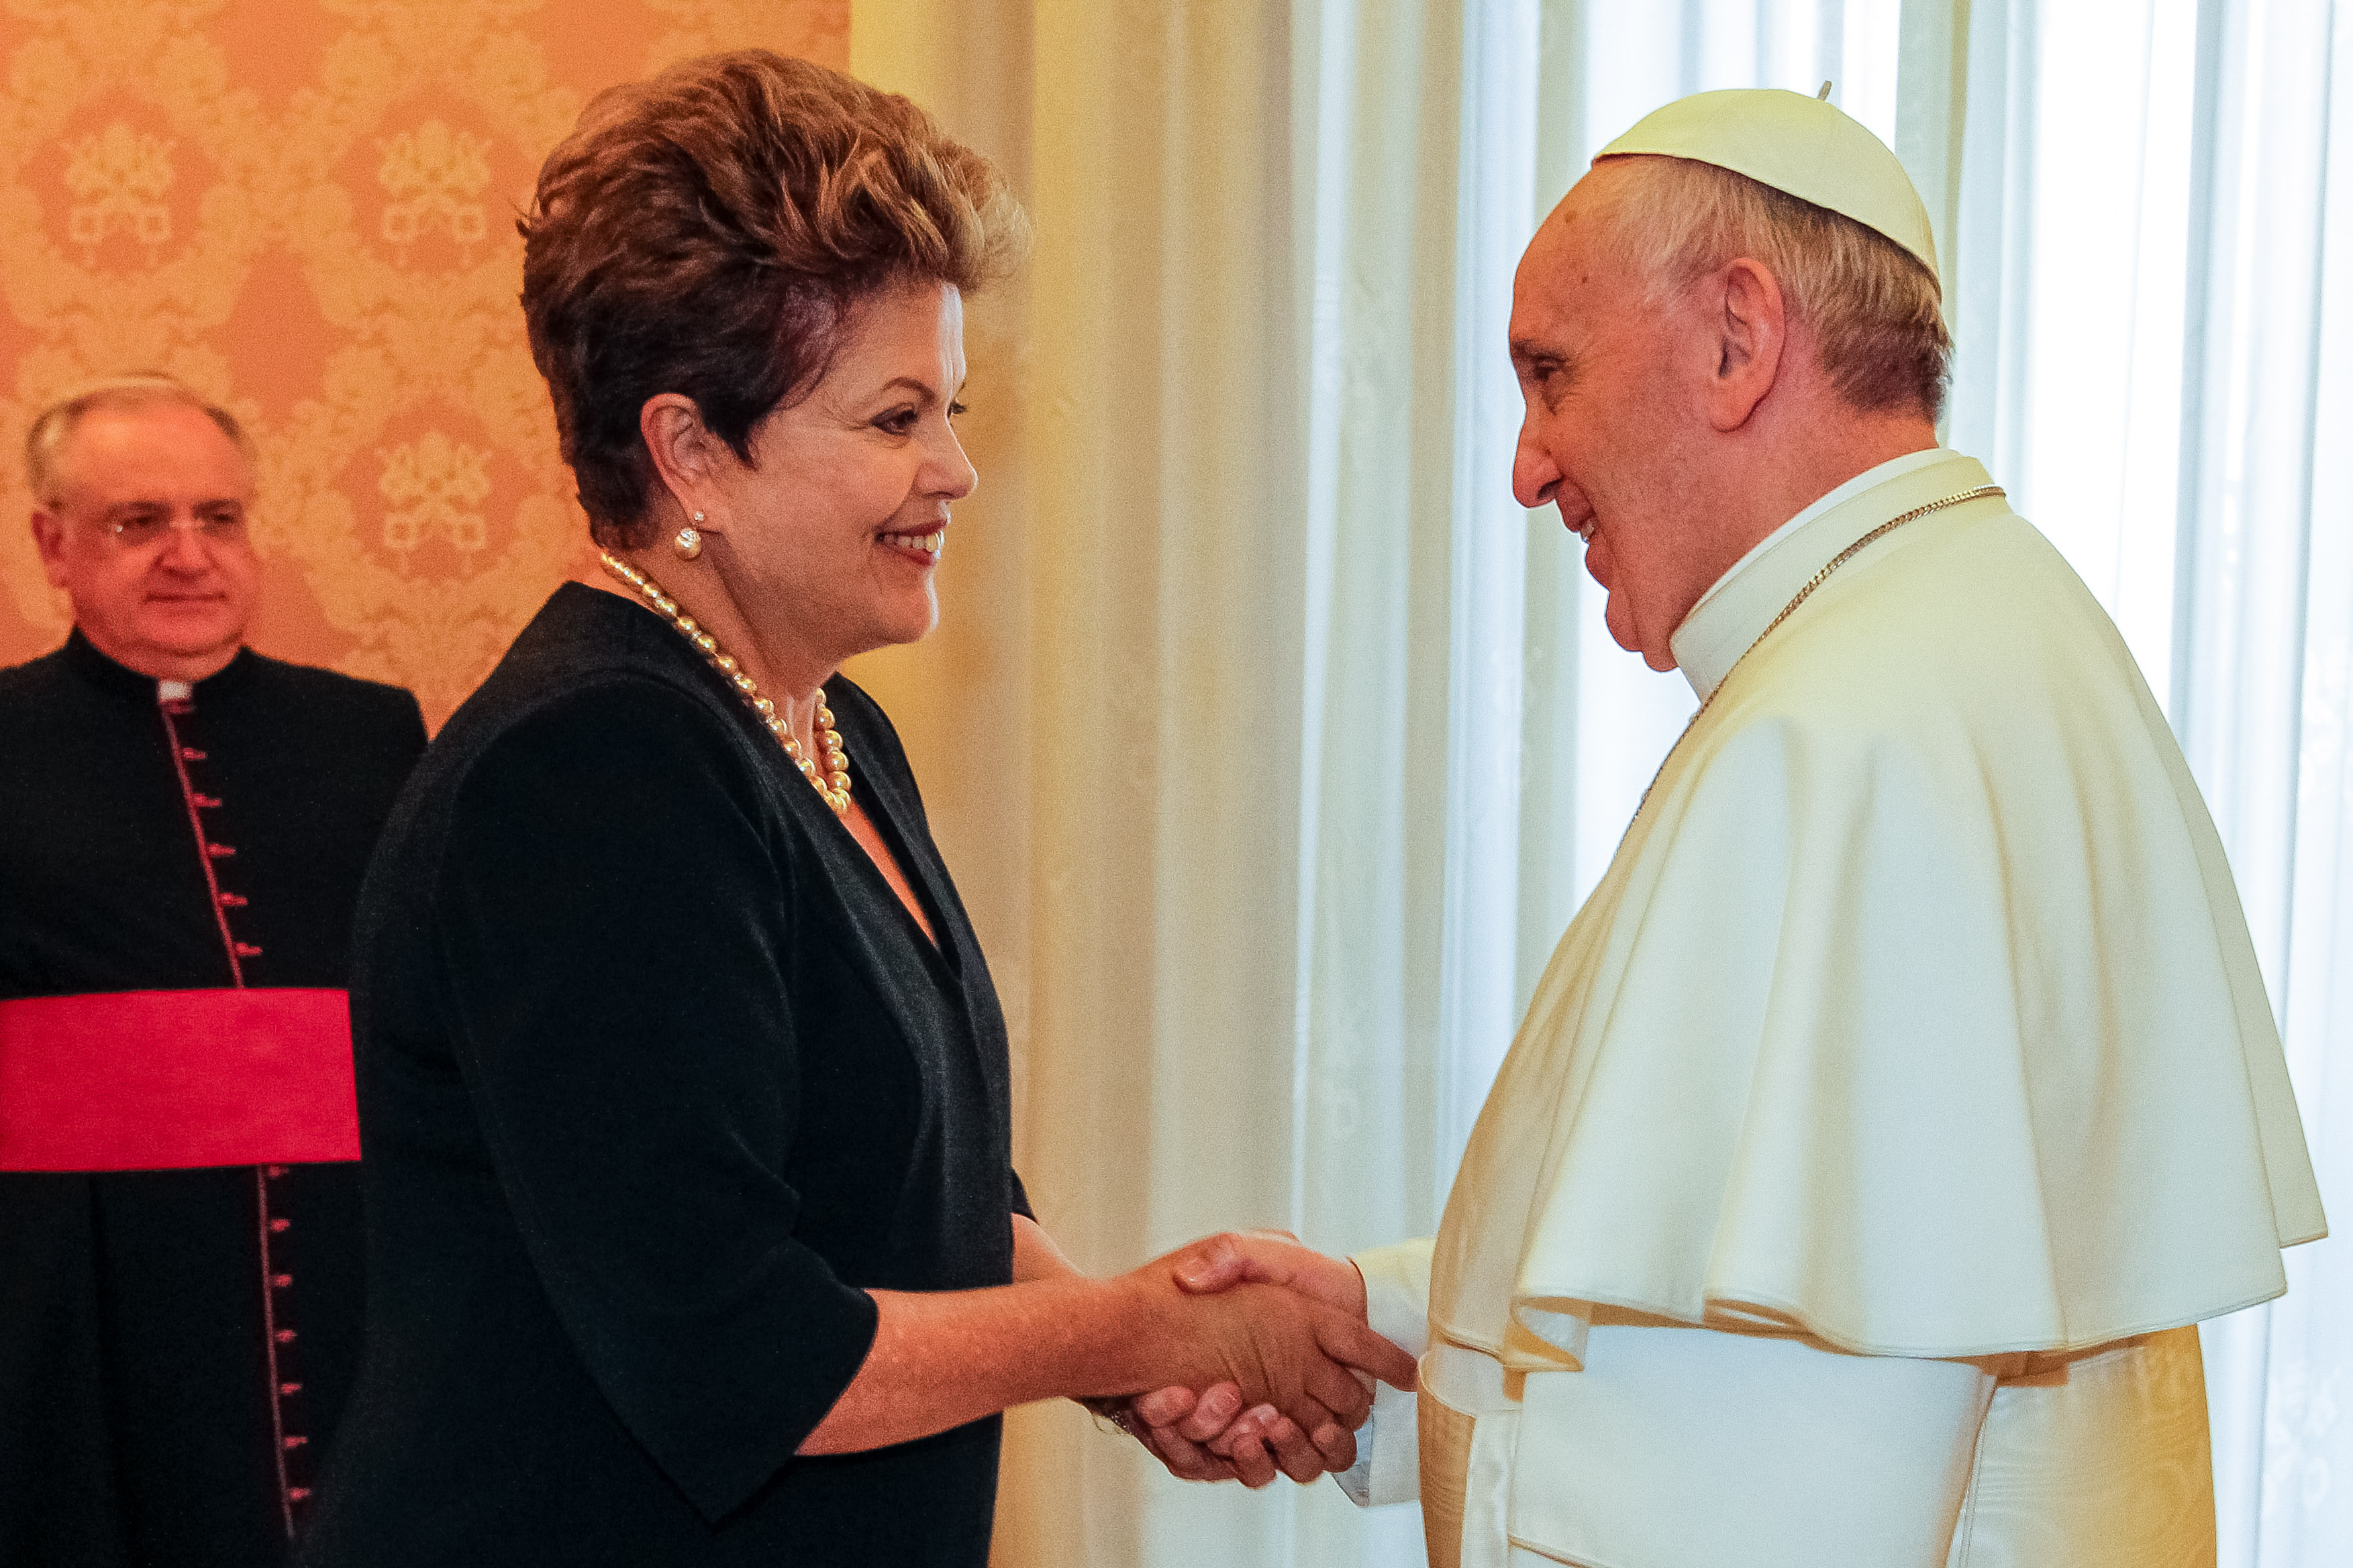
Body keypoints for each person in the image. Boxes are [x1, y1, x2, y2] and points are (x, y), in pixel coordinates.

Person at [1159, 88, 2327, 1567]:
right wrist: (1376, 1323)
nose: (1526, 462)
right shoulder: (1965, 636)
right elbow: (1751, 1291)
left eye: (1548, 374)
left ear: (1735, 337)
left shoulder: (1846, 736)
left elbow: (1746, 1488)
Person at [296, 51, 1413, 1567]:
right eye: (894, 418)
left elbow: (914, 1188)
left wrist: (1131, 1349)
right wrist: (1123, 1329)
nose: (953, 467)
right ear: (692, 450)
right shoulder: (595, 769)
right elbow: (741, 1346)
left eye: (951, 406)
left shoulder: (827, 724)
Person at [0, 374, 429, 1566]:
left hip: (351, 1264)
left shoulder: (372, 732)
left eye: (219, 518)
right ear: (55, 543)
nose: (189, 555)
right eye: (140, 523)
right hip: (79, 1288)